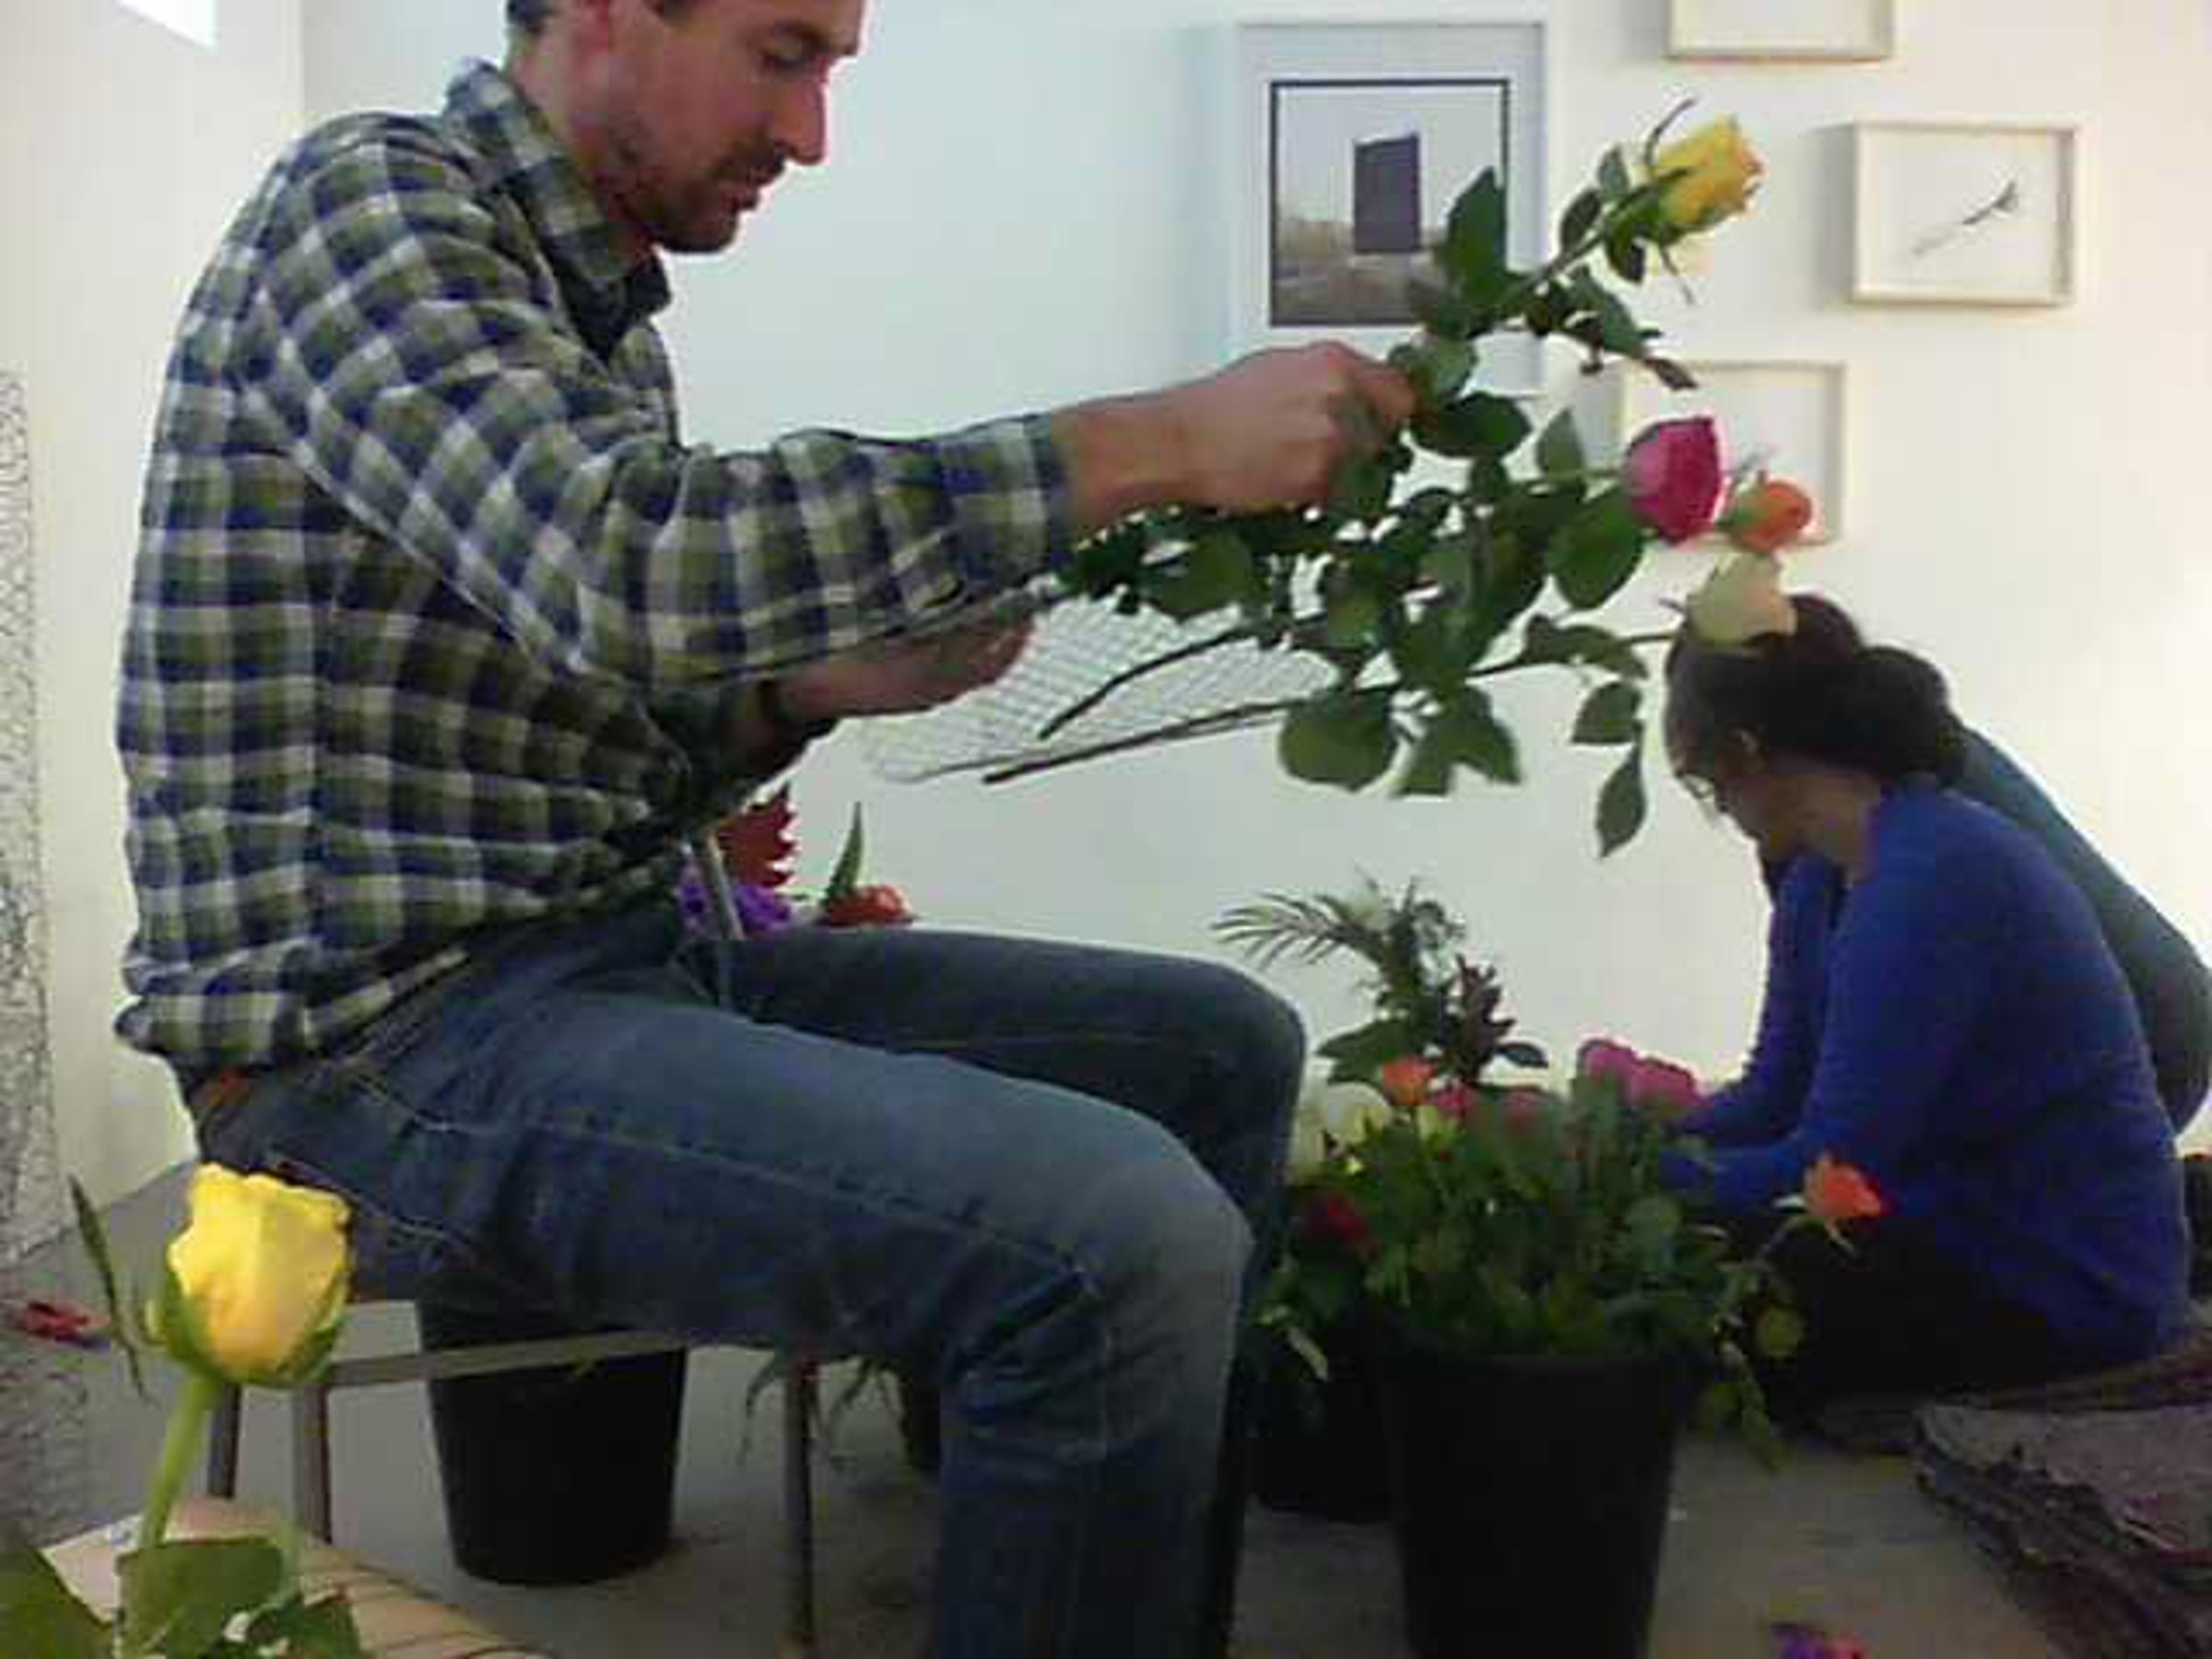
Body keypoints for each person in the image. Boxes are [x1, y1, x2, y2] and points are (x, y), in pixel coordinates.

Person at [114, 3, 1416, 1654]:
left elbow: (602, 734)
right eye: (783, 54)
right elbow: (627, 565)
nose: (810, 136)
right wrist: (1152, 444)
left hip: (591, 974)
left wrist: (795, 694)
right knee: (1114, 1240)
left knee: (1217, 1050)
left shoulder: (581, 319)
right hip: (362, 1058)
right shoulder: (366, 209)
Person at [1662, 593, 2192, 1419]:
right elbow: (1773, 1091)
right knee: (1665, 1267)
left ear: (1746, 753)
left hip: (2052, 1277)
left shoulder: (1932, 874)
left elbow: (1840, 1160)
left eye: (1706, 782)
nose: (1720, 809)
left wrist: (1654, 1187)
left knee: (1674, 1286)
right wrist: (1637, 1146)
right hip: (1949, 1228)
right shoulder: (1819, 875)